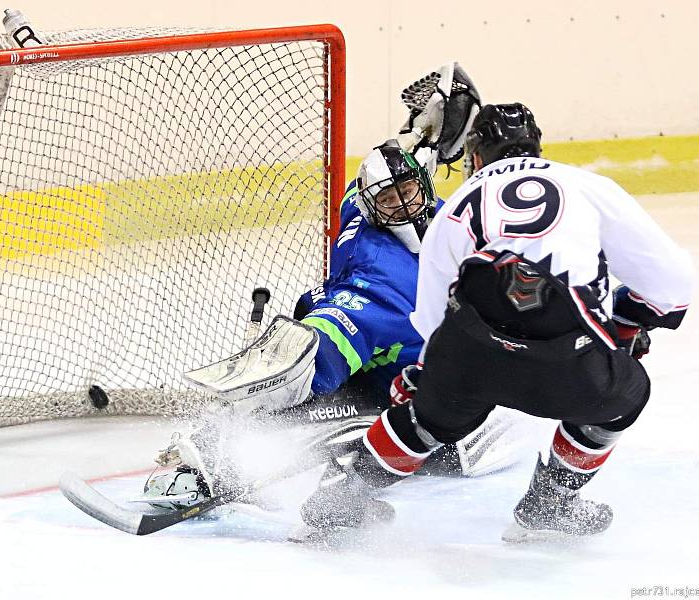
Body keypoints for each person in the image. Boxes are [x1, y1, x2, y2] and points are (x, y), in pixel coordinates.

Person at [300, 102, 695, 540]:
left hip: (473, 356)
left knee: (428, 421)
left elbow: (432, 323)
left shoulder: (453, 211)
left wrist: (425, 383)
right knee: (624, 396)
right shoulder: (586, 186)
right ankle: (550, 504)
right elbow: (673, 287)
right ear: (538, 147)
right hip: (567, 361)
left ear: (475, 158)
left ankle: (343, 498)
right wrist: (622, 324)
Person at [140, 67, 521, 511]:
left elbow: (331, 338)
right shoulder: (382, 248)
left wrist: (416, 135)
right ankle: (220, 453)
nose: (404, 205)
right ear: (370, 205)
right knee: (313, 375)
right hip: (410, 369)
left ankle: (223, 453)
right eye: (390, 200)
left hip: (422, 375)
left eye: (410, 193)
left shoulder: (383, 246)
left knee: (321, 392)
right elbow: (410, 172)